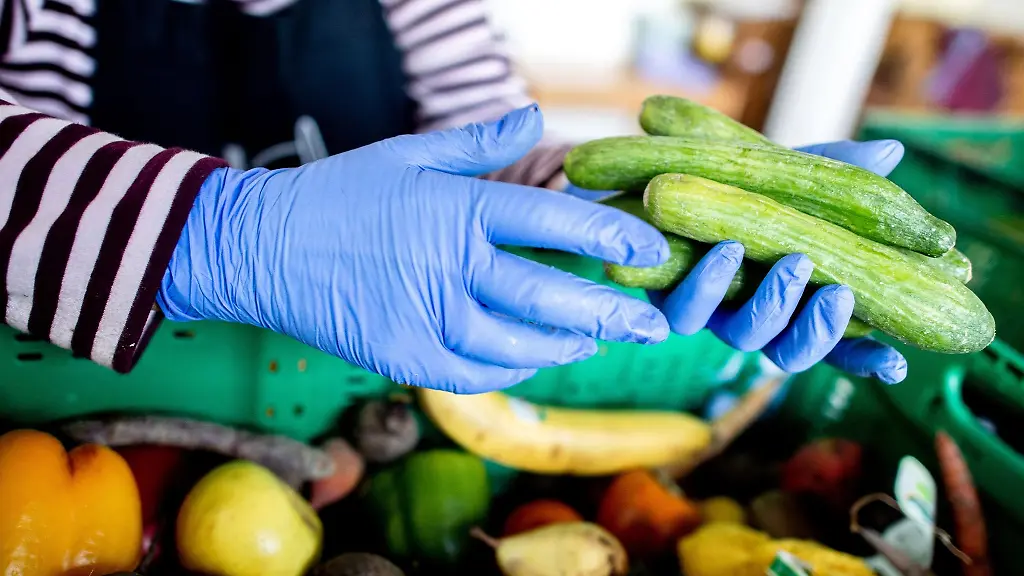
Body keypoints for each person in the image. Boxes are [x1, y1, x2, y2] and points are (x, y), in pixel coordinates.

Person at [0, 0, 906, 394]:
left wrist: (646, 204)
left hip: (364, 381)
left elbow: (497, 147)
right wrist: (219, 236)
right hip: (71, 373)